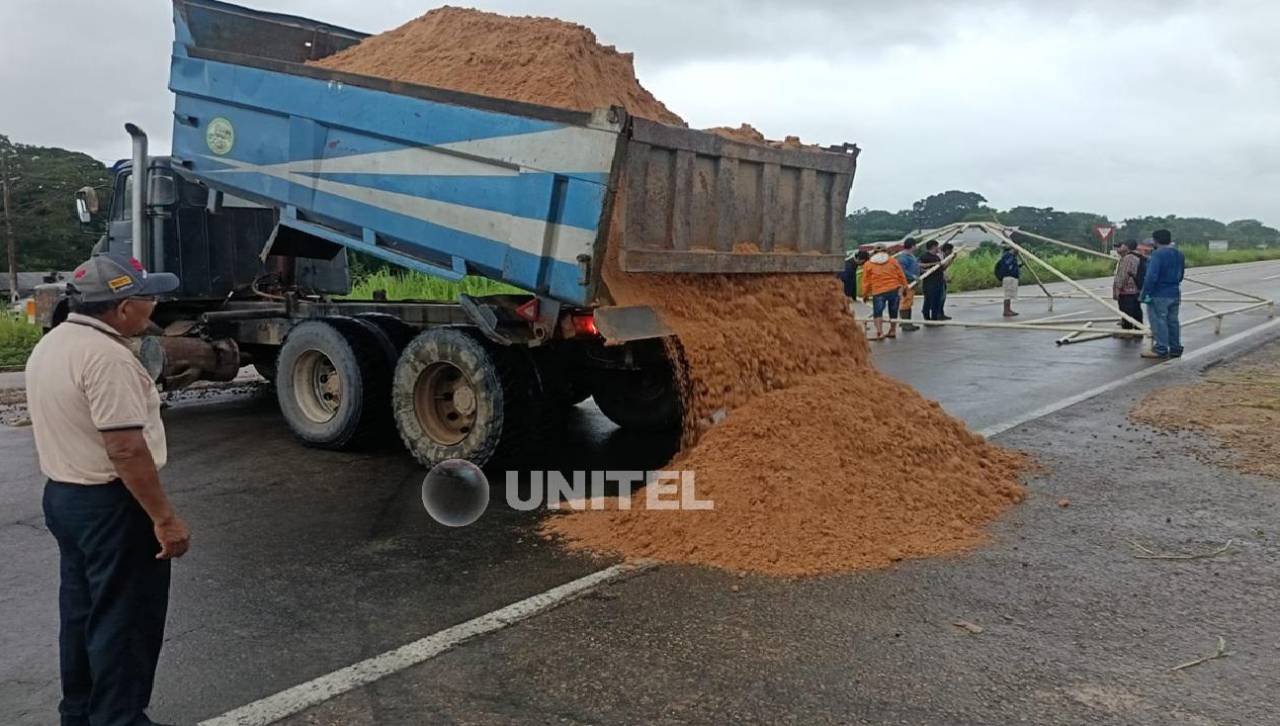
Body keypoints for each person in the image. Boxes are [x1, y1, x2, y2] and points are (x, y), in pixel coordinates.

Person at [26, 252, 188, 726]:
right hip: (112, 505)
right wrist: (164, 518)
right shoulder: (107, 357)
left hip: (65, 497)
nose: (154, 305)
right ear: (122, 308)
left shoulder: (54, 344)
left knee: (82, 613)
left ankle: (80, 712)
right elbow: (124, 449)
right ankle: (119, 718)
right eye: (147, 297)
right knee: (126, 618)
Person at [1141, 228, 1185, 359]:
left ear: (1155, 241)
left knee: (1159, 321)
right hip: (1174, 292)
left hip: (1159, 293)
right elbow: (1181, 274)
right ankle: (1175, 348)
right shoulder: (1179, 254)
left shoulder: (1157, 255)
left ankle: (1160, 348)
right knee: (1173, 321)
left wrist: (1145, 293)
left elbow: (1151, 276)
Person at [861, 243, 908, 340]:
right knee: (893, 311)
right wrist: (905, 287)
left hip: (878, 291)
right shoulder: (893, 261)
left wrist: (865, 294)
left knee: (877, 313)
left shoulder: (868, 264)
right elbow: (901, 275)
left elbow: (866, 281)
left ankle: (879, 332)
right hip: (893, 289)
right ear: (886, 251)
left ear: (874, 252)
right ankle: (893, 330)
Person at [1111, 240, 1143, 329]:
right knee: (1136, 311)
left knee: (1126, 312)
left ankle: (1127, 331)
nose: (1117, 249)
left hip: (1127, 291)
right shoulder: (1138, 256)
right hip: (1136, 289)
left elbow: (1123, 275)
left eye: (1120, 246)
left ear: (1126, 247)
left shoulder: (1127, 258)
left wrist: (1117, 289)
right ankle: (1138, 330)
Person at [894, 239, 921, 331]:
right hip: (906, 283)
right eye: (915, 245)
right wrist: (913, 276)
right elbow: (902, 271)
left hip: (912, 283)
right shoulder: (904, 257)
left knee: (909, 302)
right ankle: (905, 324)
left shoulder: (911, 256)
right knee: (905, 302)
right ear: (912, 246)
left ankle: (908, 322)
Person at [919, 240, 946, 321]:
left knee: (937, 300)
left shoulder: (937, 257)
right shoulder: (925, 256)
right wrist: (932, 266)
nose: (938, 248)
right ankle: (926, 316)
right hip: (929, 283)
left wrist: (950, 260)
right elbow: (920, 267)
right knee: (929, 299)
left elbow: (942, 268)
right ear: (933, 246)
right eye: (937, 246)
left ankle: (935, 317)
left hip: (938, 281)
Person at [994, 242, 1022, 317]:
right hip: (1008, 277)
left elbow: (1013, 266)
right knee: (1007, 295)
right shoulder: (1007, 256)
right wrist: (1013, 253)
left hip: (1012, 277)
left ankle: (1008, 310)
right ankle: (1006, 311)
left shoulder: (1011, 257)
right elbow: (1007, 265)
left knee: (1009, 295)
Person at [937, 242, 955, 320]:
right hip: (939, 279)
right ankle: (938, 314)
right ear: (947, 250)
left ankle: (941, 313)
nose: (951, 252)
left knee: (943, 297)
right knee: (940, 297)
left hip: (943, 279)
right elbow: (943, 268)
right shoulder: (940, 257)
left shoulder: (944, 256)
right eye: (950, 250)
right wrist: (951, 259)